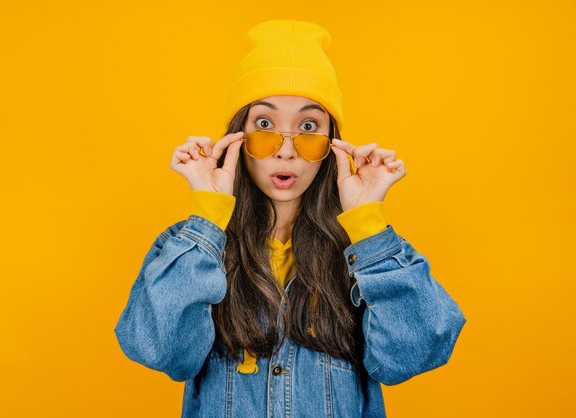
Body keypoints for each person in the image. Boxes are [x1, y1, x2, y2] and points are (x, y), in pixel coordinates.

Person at [114, 19, 466, 417]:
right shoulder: (194, 247)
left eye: (309, 126)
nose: (286, 150)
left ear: (333, 143)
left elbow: (416, 355)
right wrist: (208, 216)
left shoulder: (363, 252)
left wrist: (367, 223)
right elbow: (163, 353)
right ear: (237, 137)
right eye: (264, 124)